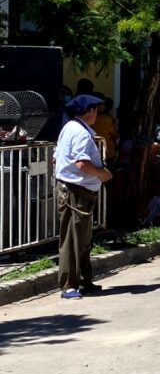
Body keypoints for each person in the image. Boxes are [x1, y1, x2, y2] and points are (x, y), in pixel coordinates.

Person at [54, 94, 113, 299]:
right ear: (89, 112)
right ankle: (69, 285)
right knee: (73, 239)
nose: (97, 113)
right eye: (95, 110)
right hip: (76, 192)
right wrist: (102, 174)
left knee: (83, 238)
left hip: (74, 189)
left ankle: (85, 280)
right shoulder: (81, 134)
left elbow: (56, 158)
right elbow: (82, 163)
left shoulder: (69, 128)